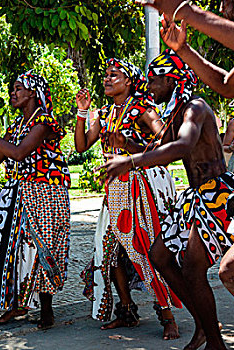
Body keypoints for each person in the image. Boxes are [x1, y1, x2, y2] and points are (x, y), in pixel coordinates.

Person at [139, 1, 234, 348]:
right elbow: (225, 84)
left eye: (224, 2)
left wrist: (187, 11)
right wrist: (184, 48)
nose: (222, 8)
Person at [99, 50, 234, 350]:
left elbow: (183, 145)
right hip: (194, 197)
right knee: (160, 256)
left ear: (171, 79)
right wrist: (127, 144)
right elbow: (162, 150)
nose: (149, 88)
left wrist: (131, 161)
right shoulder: (176, 113)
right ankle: (205, 327)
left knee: (193, 268)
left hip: (215, 194)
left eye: (154, 81)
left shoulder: (196, 107)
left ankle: (214, 341)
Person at [75, 57, 181, 339]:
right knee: (110, 253)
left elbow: (167, 142)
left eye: (114, 75)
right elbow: (82, 145)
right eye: (106, 75)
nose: (107, 79)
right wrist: (82, 113)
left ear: (130, 81)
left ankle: (167, 315)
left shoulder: (142, 108)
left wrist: (129, 146)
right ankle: (126, 310)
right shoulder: (106, 113)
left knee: (146, 250)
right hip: (114, 190)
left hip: (140, 189)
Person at [0, 71, 71, 329]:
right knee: (9, 249)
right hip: (17, 192)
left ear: (33, 93)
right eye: (13, 88)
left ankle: (46, 309)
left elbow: (18, 153)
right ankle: (15, 306)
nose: (13, 93)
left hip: (45, 192)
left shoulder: (44, 123)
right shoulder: (16, 126)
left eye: (18, 88)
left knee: (41, 248)